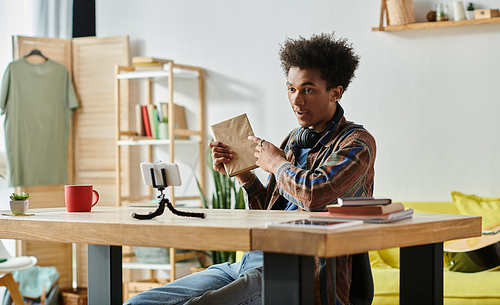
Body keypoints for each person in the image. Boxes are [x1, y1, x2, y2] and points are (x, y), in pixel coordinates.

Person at [124, 32, 376, 305]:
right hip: (252, 259)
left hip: (300, 271)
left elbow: (315, 195)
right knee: (139, 303)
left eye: (308, 89)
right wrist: (244, 174)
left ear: (335, 92)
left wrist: (277, 164)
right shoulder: (294, 140)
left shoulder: (357, 144)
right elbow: (266, 212)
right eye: (291, 89)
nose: (296, 100)